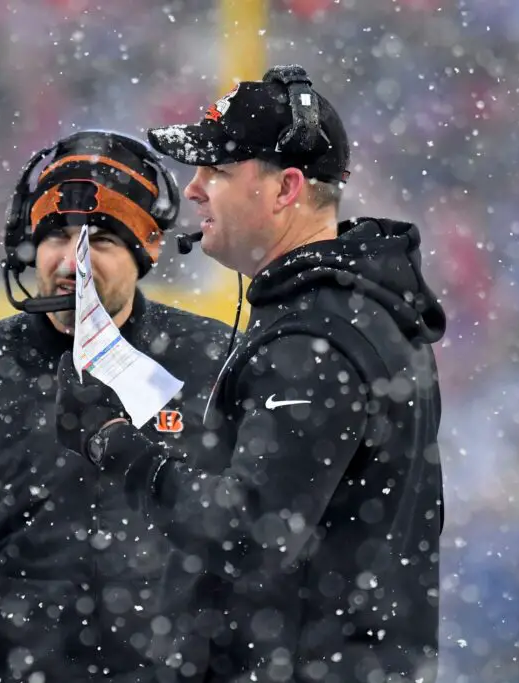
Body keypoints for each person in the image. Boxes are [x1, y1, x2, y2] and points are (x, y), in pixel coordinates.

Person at [53, 66, 447, 683]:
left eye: (216, 172)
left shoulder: (314, 338)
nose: (194, 191)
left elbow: (250, 535)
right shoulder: (353, 310)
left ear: (286, 188)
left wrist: (116, 444)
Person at [0, 130, 235, 683]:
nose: (72, 260)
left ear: (147, 249)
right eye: (57, 235)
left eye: (99, 240)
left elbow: (260, 545)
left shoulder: (213, 364)